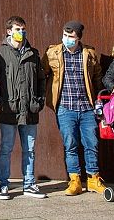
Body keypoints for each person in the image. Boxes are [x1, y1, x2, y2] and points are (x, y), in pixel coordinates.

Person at [43, 20, 106, 196]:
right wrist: (47, 98)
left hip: (87, 108)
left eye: (71, 37)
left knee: (91, 143)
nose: (67, 39)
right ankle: (75, 180)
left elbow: (97, 77)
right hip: (65, 107)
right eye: (65, 35)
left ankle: (93, 179)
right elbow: (43, 74)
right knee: (70, 145)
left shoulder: (89, 54)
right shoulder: (52, 53)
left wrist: (99, 100)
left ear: (79, 38)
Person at [0, 16, 48, 200]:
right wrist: (0, 102)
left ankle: (29, 184)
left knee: (29, 149)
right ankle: (3, 185)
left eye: (23, 29)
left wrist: (39, 101)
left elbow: (41, 80)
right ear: (8, 31)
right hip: (9, 111)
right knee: (6, 149)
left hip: (29, 111)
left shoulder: (33, 54)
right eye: (17, 29)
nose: (21, 32)